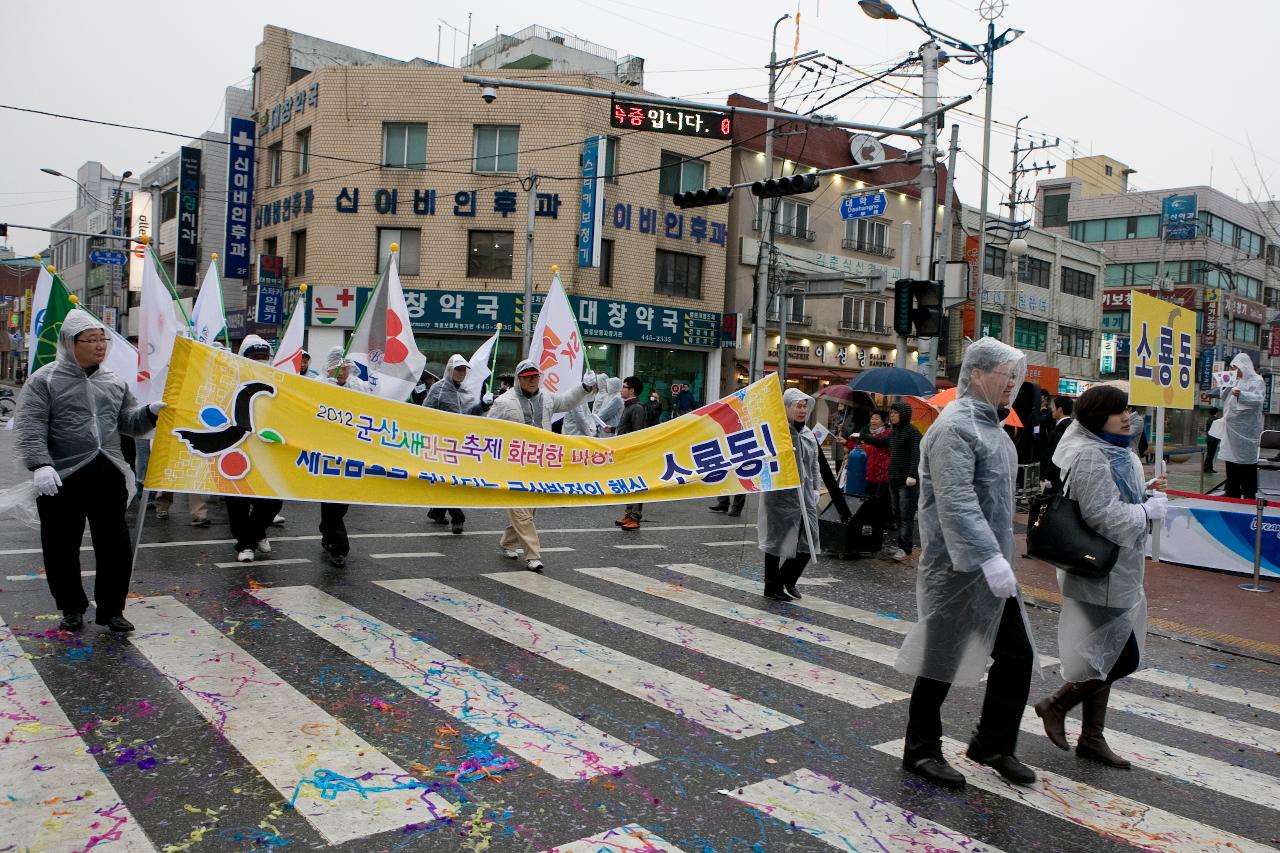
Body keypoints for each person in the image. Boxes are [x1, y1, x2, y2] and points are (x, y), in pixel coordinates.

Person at [896, 337, 1039, 790]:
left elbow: (996, 502)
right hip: (957, 569)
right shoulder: (954, 428)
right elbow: (956, 503)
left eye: (1016, 374)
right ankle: (920, 750)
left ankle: (992, 744)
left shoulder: (995, 429)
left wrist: (998, 558)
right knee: (941, 659)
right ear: (977, 374)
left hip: (993, 569)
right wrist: (989, 557)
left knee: (1017, 656)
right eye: (1005, 373)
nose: (1012, 383)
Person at [1035, 384, 1167, 769]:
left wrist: (1145, 493)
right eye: (1118, 411)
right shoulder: (1092, 454)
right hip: (1100, 571)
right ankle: (1056, 705)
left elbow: (1117, 499)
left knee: (1102, 655)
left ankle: (1092, 737)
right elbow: (1103, 515)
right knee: (1120, 657)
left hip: (1118, 570)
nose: (1128, 416)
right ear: (1097, 419)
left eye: (1127, 409)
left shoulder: (1117, 451)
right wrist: (1147, 513)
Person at [14, 309, 162, 633]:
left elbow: (128, 422)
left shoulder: (114, 382)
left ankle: (112, 609)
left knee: (115, 545)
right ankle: (71, 607)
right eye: (90, 340)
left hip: (107, 474)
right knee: (60, 545)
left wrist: (150, 413)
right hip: (60, 477)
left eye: (102, 339)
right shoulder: (45, 380)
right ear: (69, 343)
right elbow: (30, 427)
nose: (99, 346)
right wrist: (40, 465)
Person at [488, 359, 595, 571]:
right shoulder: (504, 402)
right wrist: (484, 407)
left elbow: (566, 401)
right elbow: (487, 428)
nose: (532, 380)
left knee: (529, 510)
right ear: (519, 379)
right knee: (521, 511)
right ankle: (533, 555)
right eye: (527, 377)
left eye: (535, 376)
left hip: (539, 463)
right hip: (512, 465)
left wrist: (584, 387)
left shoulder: (547, 398)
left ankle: (508, 542)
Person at [757, 388, 821, 602]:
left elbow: (814, 465)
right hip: (780, 496)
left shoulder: (808, 434)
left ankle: (787, 579)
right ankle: (771, 586)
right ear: (786, 407)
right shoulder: (778, 432)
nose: (802, 410)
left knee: (809, 539)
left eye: (804, 406)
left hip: (805, 495)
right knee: (777, 542)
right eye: (797, 406)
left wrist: (815, 488)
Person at [225, 335, 285, 563]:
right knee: (237, 502)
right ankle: (245, 545)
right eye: (254, 357)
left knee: (272, 501)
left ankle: (258, 531)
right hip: (237, 450)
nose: (260, 361)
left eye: (264, 357)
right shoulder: (230, 383)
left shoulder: (279, 384)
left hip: (268, 452)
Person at [422, 353, 493, 535]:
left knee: (453, 480)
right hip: (442, 442)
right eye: (458, 369)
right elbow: (424, 413)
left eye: (464, 369)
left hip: (461, 443)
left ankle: (436, 511)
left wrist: (484, 406)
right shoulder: (438, 389)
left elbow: (472, 415)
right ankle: (458, 517)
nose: (461, 372)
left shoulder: (466, 391)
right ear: (450, 370)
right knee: (448, 479)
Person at [317, 346, 374, 565]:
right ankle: (339, 548)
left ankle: (326, 529)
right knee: (331, 495)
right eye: (337, 368)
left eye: (345, 368)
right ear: (329, 369)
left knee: (343, 499)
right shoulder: (318, 384)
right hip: (326, 449)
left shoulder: (358, 386)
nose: (341, 372)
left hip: (352, 449)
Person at [859, 401, 921, 561]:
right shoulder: (894, 432)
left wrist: (913, 474)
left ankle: (905, 548)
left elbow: (916, 454)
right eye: (891, 413)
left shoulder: (913, 433)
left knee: (906, 515)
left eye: (895, 413)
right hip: (893, 479)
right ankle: (901, 543)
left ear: (904, 415)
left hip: (906, 481)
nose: (892, 416)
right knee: (897, 514)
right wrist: (862, 436)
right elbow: (881, 443)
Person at [1219, 353, 1265, 499]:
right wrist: (1225, 386)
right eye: (1233, 368)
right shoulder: (1235, 381)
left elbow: (1258, 399)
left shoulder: (1257, 381)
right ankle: (1232, 491)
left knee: (1246, 464)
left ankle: (1249, 493)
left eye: (1236, 368)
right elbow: (1224, 398)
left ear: (1244, 366)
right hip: (1232, 430)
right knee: (1231, 460)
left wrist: (1241, 395)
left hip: (1247, 433)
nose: (1235, 371)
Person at [613, 377, 649, 531]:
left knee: (636, 485)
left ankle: (635, 517)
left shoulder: (637, 408)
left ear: (632, 390)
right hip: (626, 450)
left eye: (624, 387)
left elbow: (637, 432)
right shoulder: (629, 406)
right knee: (628, 484)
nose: (622, 389)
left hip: (634, 452)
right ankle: (628, 514)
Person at [1040, 396, 1075, 494]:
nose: (1052, 410)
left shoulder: (1062, 427)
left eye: (1054, 407)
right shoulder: (1069, 425)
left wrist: (1049, 477)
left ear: (1060, 409)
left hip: (1056, 476)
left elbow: (1056, 453)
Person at [1203, 408, 1221, 473]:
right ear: (1216, 412)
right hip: (1213, 439)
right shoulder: (1216, 420)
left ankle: (1209, 467)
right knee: (1211, 454)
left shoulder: (1209, 419)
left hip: (1209, 438)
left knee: (1209, 454)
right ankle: (1207, 467)